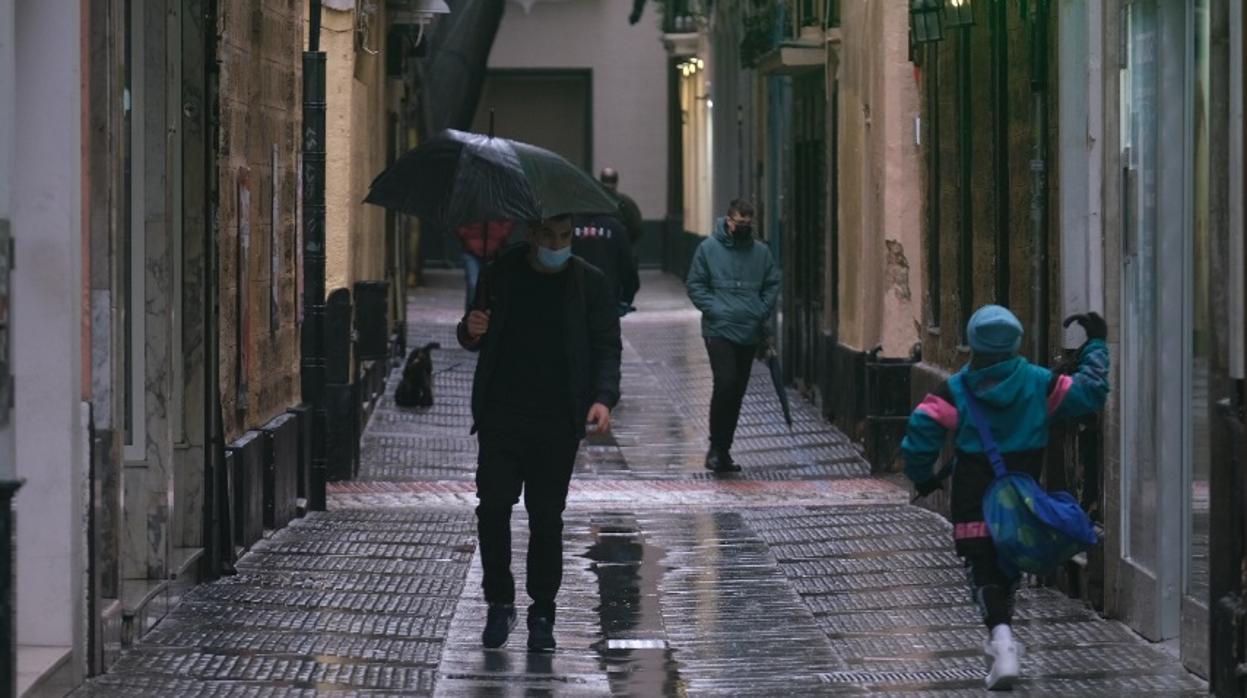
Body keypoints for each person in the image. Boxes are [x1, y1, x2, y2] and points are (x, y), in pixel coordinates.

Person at [901, 306, 1109, 690]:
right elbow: (1090, 394)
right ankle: (1003, 639)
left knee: (982, 569)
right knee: (1008, 565)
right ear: (1015, 344)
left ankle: (1001, 638)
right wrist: (1096, 343)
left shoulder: (954, 390)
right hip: (1022, 498)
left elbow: (921, 428)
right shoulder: (1040, 383)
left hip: (973, 496)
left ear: (973, 346)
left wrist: (921, 476)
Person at [456, 213, 622, 653]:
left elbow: (607, 345)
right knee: (493, 507)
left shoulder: (589, 283)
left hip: (556, 420)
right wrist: (470, 331)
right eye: (549, 235)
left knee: (546, 517)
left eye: (565, 237)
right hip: (502, 415)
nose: (557, 244)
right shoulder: (500, 274)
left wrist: (603, 397)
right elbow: (471, 329)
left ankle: (542, 611)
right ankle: (499, 601)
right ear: (532, 235)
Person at [685, 199, 780, 473]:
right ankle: (715, 448)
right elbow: (695, 284)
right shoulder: (708, 249)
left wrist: (759, 310)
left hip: (748, 331)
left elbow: (772, 282)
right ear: (728, 220)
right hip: (719, 330)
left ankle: (723, 450)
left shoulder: (760, 253)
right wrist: (717, 310)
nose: (743, 228)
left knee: (736, 391)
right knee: (725, 383)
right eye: (739, 223)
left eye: (748, 224)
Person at [572, 211, 640, 315]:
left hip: (573, 297)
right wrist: (625, 299)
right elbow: (628, 269)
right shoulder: (615, 227)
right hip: (606, 298)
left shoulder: (567, 225)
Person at [456, 219, 516, 312]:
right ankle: (470, 317)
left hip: (495, 249)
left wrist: (502, 233)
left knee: (495, 287)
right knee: (473, 284)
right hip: (472, 250)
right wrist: (466, 236)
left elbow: (509, 220)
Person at [598, 167, 645, 251]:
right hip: (621, 248)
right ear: (616, 183)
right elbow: (637, 228)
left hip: (601, 248)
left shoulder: (596, 201)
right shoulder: (627, 202)